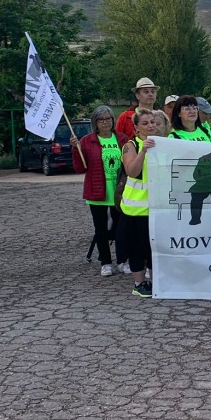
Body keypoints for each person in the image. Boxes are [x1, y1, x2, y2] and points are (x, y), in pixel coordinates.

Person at [70, 105, 128, 276]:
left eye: (108, 118)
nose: (105, 122)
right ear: (95, 122)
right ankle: (106, 262)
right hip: (97, 192)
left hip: (120, 192)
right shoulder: (88, 141)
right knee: (101, 229)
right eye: (101, 119)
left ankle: (123, 260)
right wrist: (76, 149)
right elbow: (81, 168)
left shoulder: (122, 138)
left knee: (121, 229)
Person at [118, 109, 157, 298]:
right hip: (134, 210)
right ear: (136, 128)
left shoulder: (162, 143)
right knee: (136, 249)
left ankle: (156, 282)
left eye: (153, 122)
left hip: (155, 209)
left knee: (154, 249)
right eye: (145, 123)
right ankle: (139, 283)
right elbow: (132, 171)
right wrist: (143, 150)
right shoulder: (131, 145)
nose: (150, 126)